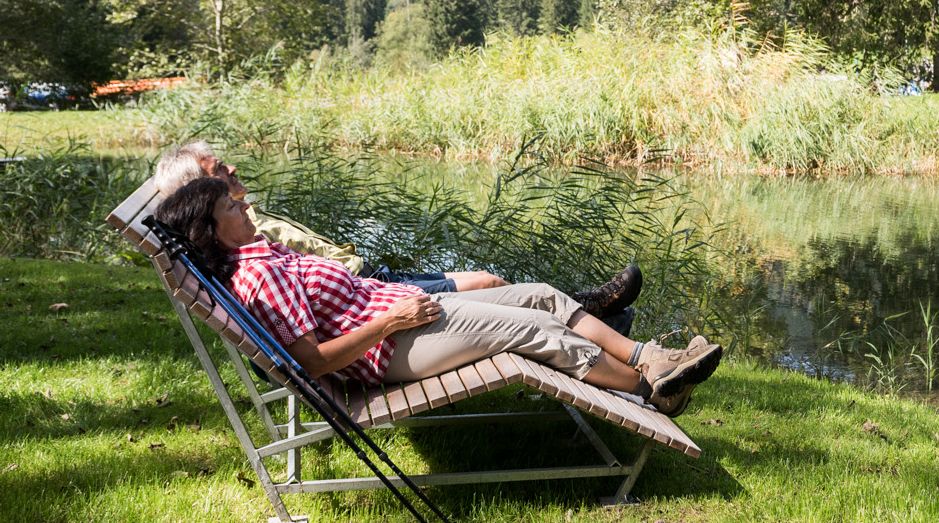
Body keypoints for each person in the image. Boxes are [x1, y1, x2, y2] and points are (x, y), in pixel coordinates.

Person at [153, 175, 718, 418]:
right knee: (535, 331)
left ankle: (647, 356)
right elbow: (311, 362)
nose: (246, 207)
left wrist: (398, 304)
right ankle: (653, 391)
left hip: (402, 317)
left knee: (542, 296)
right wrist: (391, 318)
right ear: (210, 229)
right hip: (390, 346)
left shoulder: (260, 256)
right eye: (233, 207)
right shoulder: (258, 277)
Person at [149, 140, 643, 320]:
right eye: (219, 170)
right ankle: (589, 308)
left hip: (368, 278)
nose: (232, 170)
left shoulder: (243, 222)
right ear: (199, 195)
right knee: (488, 283)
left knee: (486, 278)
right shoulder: (246, 245)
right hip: (369, 293)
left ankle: (590, 311)